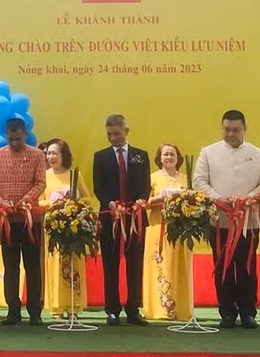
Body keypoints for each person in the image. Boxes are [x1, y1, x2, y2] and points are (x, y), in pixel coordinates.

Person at [194, 110, 260, 329]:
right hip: (220, 222)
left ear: (245, 129)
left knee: (247, 267)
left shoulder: (258, 154)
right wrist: (219, 199)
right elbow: (199, 181)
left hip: (248, 221)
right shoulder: (208, 153)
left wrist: (248, 199)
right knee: (222, 267)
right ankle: (226, 311)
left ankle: (248, 312)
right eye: (226, 129)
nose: (231, 134)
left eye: (236, 130)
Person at [0, 118, 46, 326]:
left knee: (32, 266)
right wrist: (2, 202)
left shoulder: (38, 154)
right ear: (6, 135)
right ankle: (13, 309)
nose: (14, 143)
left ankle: (35, 312)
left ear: (26, 134)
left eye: (18, 139)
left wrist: (25, 201)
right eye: (11, 139)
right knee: (10, 266)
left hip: (31, 219)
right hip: (7, 220)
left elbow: (41, 183)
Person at [93, 114, 151, 326]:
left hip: (135, 218)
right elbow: (98, 188)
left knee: (135, 265)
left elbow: (146, 186)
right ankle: (112, 309)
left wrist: (138, 203)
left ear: (126, 131)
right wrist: (111, 205)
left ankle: (133, 308)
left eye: (116, 134)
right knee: (110, 265)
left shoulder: (140, 156)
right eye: (109, 134)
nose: (113, 138)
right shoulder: (100, 156)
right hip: (111, 218)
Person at [40, 138, 91, 319]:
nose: (51, 157)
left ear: (64, 155)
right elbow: (38, 201)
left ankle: (73, 306)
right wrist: (53, 203)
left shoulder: (74, 174)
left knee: (74, 264)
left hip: (74, 226)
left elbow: (87, 199)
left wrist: (74, 203)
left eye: (55, 153)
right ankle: (56, 306)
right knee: (55, 265)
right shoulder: (44, 175)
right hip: (53, 226)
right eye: (49, 153)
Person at [142, 143, 192, 320]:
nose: (169, 157)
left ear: (178, 158)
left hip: (181, 228)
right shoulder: (152, 178)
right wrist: (161, 198)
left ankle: (180, 308)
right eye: (165, 154)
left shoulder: (186, 178)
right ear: (159, 158)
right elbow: (144, 202)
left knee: (179, 265)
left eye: (172, 154)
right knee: (161, 265)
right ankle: (160, 309)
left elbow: (194, 199)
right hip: (158, 226)